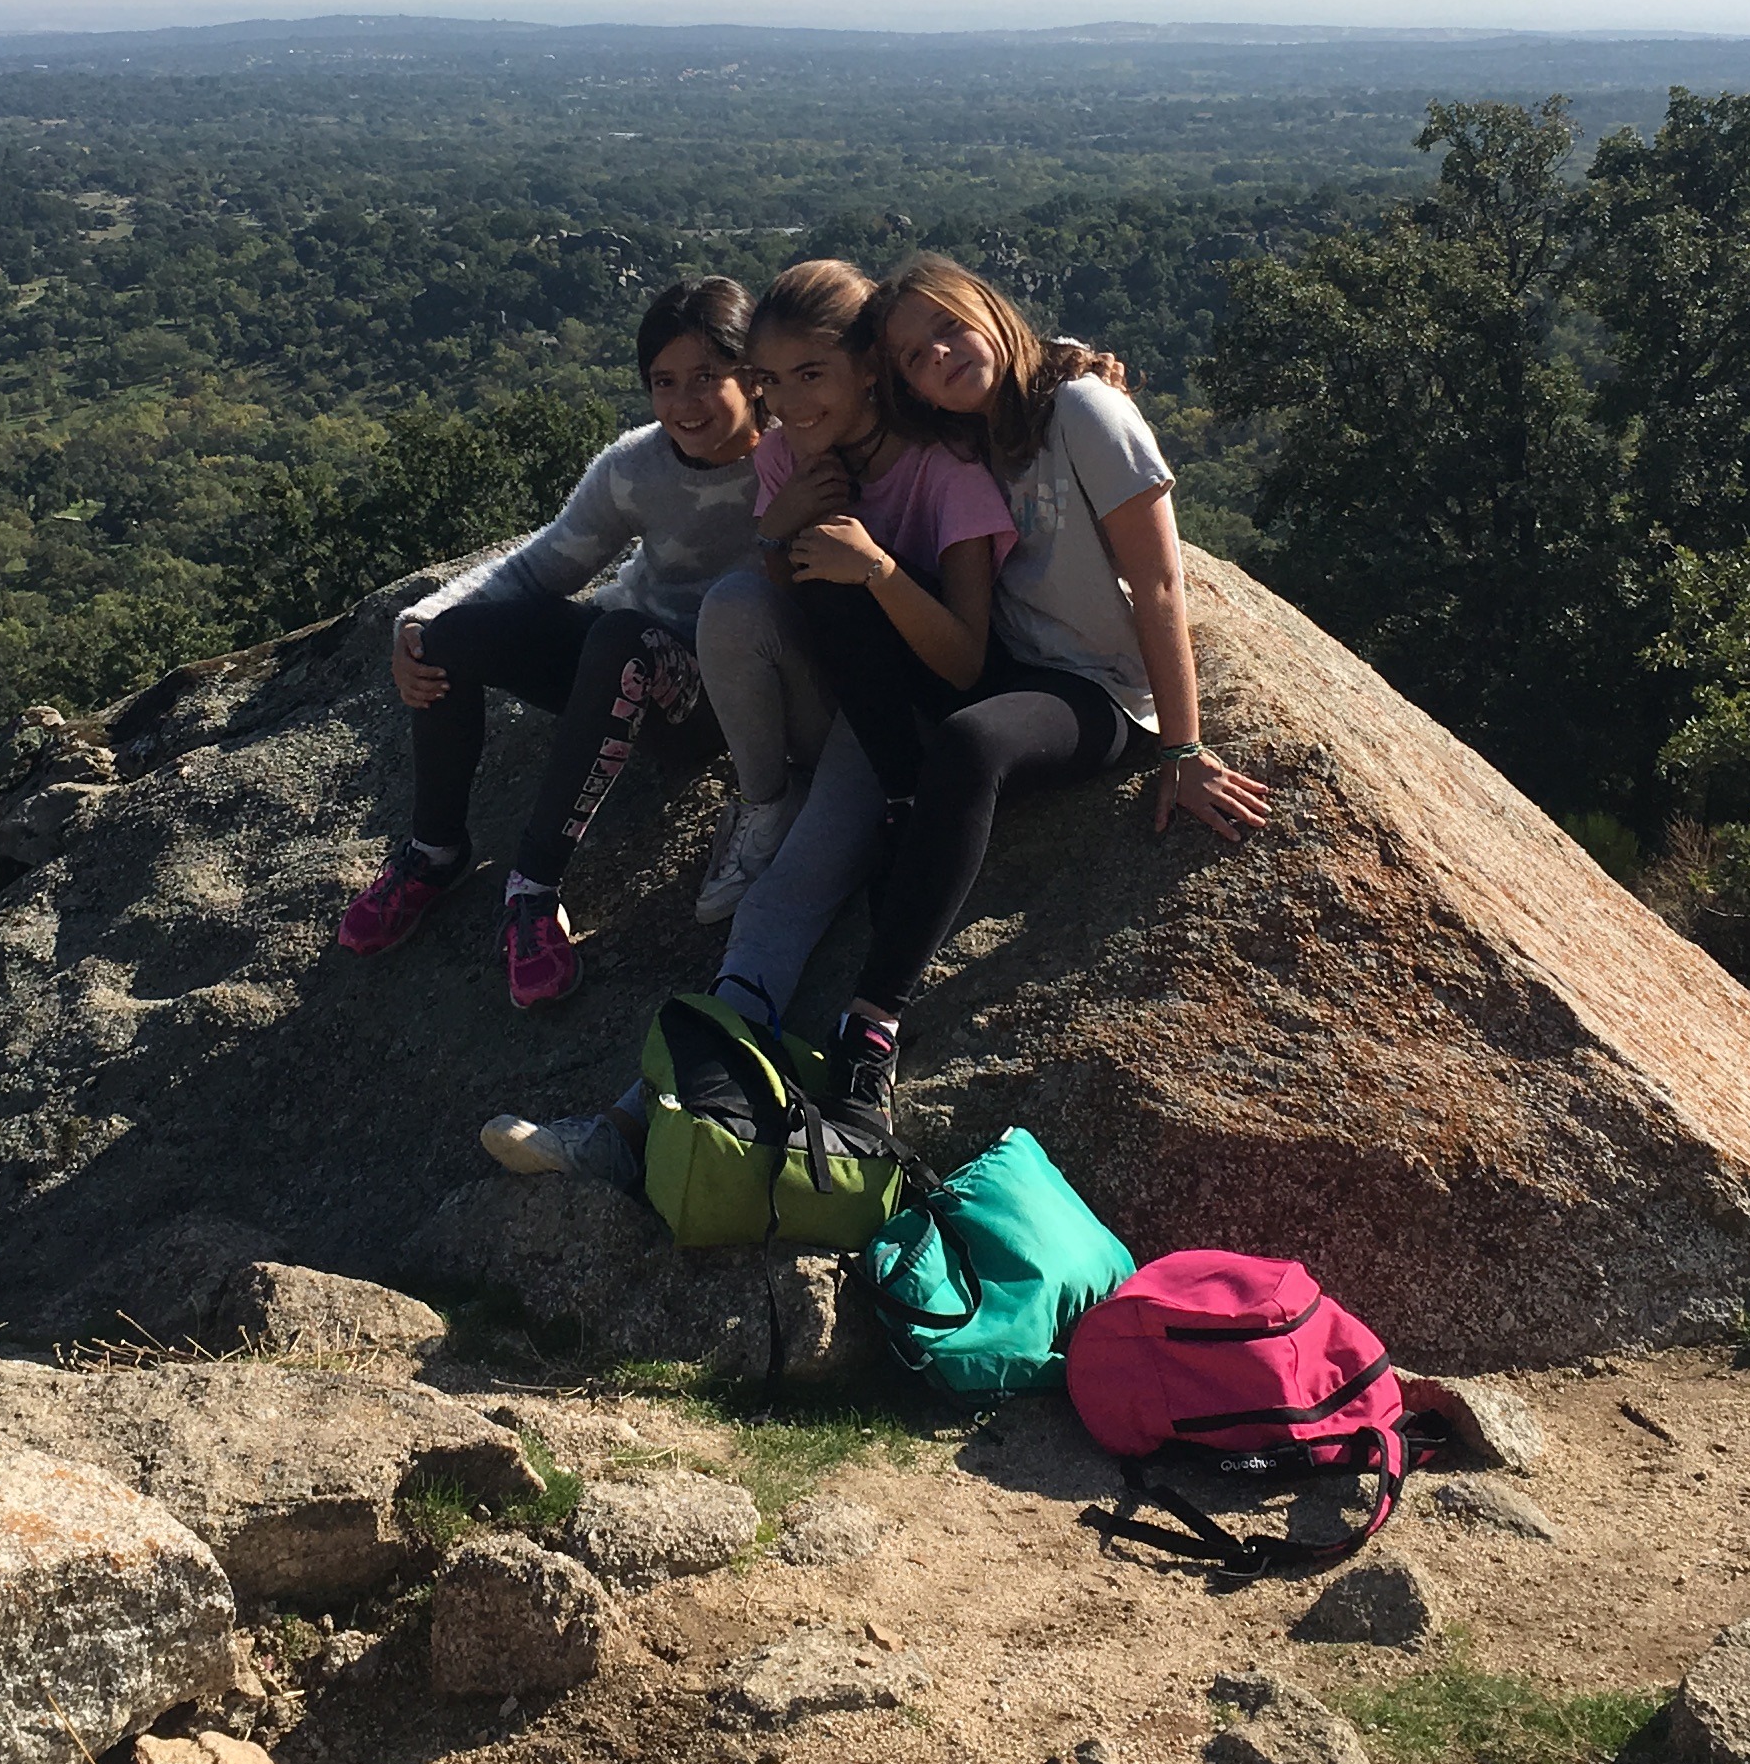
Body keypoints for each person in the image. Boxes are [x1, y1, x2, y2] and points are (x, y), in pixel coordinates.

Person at [479, 256, 1014, 1177]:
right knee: (733, 601)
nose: (788, 403)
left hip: (898, 723)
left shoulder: (945, 469)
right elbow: (780, 605)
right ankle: (764, 802)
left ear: (869, 369)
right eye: (771, 380)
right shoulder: (785, 456)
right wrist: (781, 526)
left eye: (812, 374)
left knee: (778, 903)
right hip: (821, 698)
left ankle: (630, 1129)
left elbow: (966, 662)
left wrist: (877, 569)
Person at [800, 252, 1273, 1144]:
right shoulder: (965, 432)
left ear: (988, 309)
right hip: (1005, 660)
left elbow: (1161, 583)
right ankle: (908, 807)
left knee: (972, 746)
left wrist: (1183, 748)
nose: (940, 355)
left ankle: (872, 1025)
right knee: (837, 583)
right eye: (914, 356)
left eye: (949, 326)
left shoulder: (1083, 409)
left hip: (1096, 688)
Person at [334, 276, 781, 1011]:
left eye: (707, 375)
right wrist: (421, 620)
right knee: (451, 636)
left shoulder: (793, 462)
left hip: (712, 701)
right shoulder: (637, 466)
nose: (685, 402)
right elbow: (542, 567)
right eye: (664, 381)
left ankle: (533, 889)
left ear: (753, 375)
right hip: (619, 659)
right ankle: (434, 850)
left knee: (621, 637)